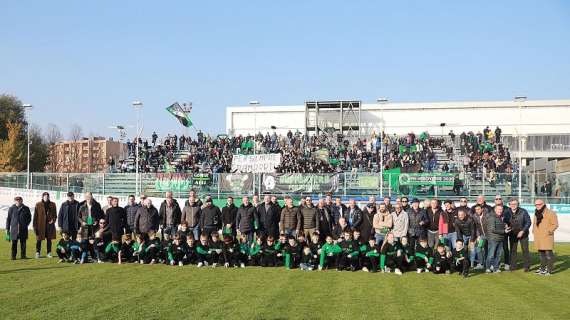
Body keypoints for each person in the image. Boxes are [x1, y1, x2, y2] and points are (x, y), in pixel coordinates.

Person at [532, 199, 559, 276]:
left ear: (543, 204)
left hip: (547, 236)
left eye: (539, 204)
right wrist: (534, 231)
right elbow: (535, 223)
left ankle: (549, 270)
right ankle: (542, 268)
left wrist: (548, 231)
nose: (537, 206)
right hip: (538, 237)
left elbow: (555, 224)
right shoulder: (536, 212)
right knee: (541, 254)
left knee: (548, 254)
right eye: (536, 205)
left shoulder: (550, 213)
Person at [507, 198, 531, 272]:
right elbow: (505, 221)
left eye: (515, 204)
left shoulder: (523, 211)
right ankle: (513, 266)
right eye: (512, 204)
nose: (513, 205)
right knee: (513, 251)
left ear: (518, 204)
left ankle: (527, 266)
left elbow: (528, 222)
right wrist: (505, 225)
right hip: (512, 234)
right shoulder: (507, 212)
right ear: (509, 205)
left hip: (523, 234)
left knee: (525, 250)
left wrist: (523, 231)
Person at [33, 192, 57, 258]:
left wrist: (53, 220)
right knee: (39, 239)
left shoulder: (53, 204)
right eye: (45, 196)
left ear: (49, 197)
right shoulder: (38, 204)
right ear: (42, 197)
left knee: (49, 240)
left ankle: (49, 253)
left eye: (47, 196)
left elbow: (55, 215)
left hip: (49, 225)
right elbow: (35, 216)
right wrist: (35, 226)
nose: (46, 197)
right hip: (40, 225)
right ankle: (38, 252)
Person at [485, 205, 508, 273]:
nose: (500, 211)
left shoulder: (500, 217)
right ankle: (488, 267)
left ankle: (496, 268)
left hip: (500, 239)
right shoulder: (492, 217)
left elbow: (499, 226)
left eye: (501, 209)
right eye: (498, 209)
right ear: (495, 210)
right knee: (491, 255)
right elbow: (492, 229)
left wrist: (505, 226)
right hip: (493, 239)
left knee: (498, 255)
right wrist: (504, 231)